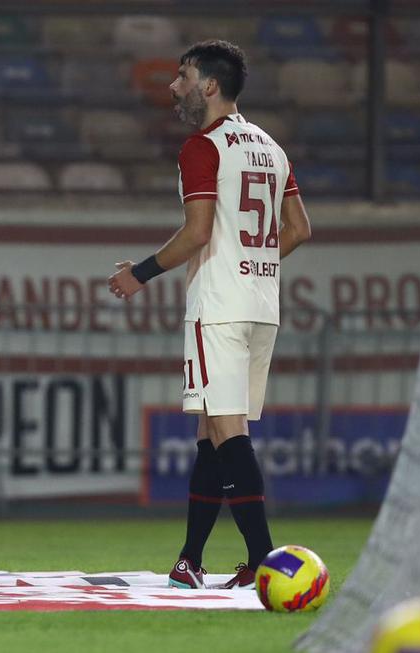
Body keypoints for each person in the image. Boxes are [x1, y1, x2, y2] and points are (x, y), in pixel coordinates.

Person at [108, 40, 312, 590]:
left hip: (219, 307)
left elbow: (197, 233)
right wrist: (251, 264)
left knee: (227, 430)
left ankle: (268, 564)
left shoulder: (203, 147)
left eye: (183, 77)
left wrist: (141, 272)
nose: (174, 87)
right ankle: (189, 561)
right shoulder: (271, 147)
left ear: (210, 86)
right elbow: (299, 230)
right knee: (211, 431)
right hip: (262, 305)